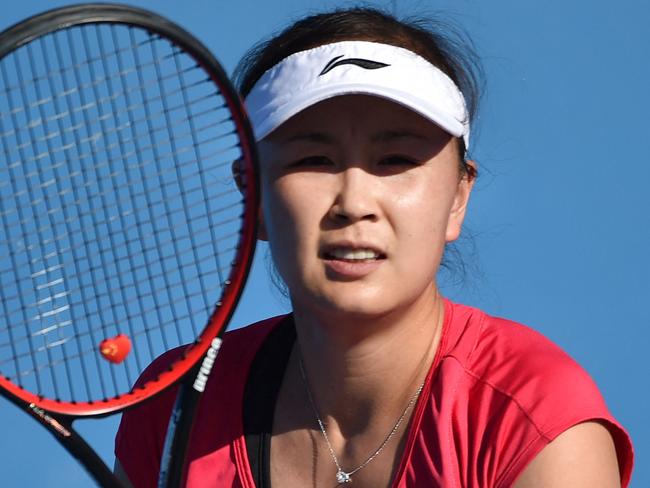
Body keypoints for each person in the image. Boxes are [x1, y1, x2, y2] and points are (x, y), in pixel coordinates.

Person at [114, 7, 633, 487]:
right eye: (314, 159)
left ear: (458, 196)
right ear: (253, 196)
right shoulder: (173, 410)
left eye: (396, 160)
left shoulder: (535, 418)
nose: (354, 201)